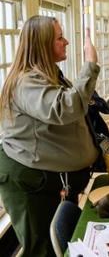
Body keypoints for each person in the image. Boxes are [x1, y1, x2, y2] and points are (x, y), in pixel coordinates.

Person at [0, 15, 100, 257]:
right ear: (43, 45)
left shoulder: (48, 74)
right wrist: (90, 64)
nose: (66, 41)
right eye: (59, 37)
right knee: (42, 249)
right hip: (29, 183)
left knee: (57, 246)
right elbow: (65, 109)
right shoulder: (26, 82)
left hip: (46, 180)